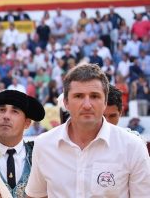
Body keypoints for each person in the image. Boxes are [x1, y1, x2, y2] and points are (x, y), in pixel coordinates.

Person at [25, 63, 150, 197]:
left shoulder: (133, 146)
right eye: (78, 96)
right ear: (66, 102)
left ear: (105, 101)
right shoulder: (44, 145)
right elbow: (36, 195)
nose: (87, 105)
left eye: (94, 96)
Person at [0, 90, 45, 197]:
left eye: (15, 111)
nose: (6, 116)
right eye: (2, 110)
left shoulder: (40, 155)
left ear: (27, 123)